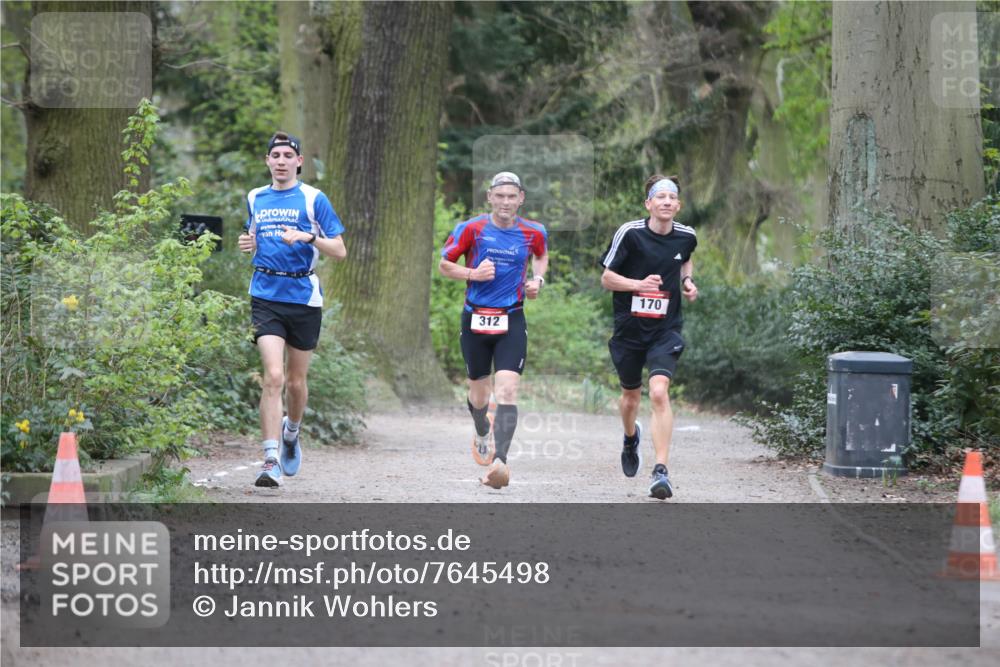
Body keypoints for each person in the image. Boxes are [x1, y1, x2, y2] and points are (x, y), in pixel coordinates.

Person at [237, 131, 347, 487]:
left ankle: (291, 432)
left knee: (296, 383)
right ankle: (270, 460)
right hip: (266, 293)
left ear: (299, 161)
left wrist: (308, 237)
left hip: (303, 296)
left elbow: (340, 250)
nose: (281, 161)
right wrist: (247, 242)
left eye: (288, 155)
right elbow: (251, 236)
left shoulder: (314, 199)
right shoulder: (256, 197)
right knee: (273, 377)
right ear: (267, 161)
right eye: (275, 155)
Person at [438, 172, 548, 489]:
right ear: (490, 197)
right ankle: (481, 427)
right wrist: (473, 272)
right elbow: (445, 264)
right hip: (475, 318)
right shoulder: (471, 229)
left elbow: (541, 256)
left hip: (511, 318)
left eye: (511, 196)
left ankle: (500, 462)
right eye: (500, 196)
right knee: (478, 393)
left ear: (521, 199)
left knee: (508, 390)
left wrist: (537, 280)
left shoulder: (533, 231)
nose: (505, 202)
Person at [599, 174, 698, 499]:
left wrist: (686, 283)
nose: (667, 201)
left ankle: (661, 471)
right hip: (629, 330)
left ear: (678, 205)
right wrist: (637, 285)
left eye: (672, 197)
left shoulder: (686, 236)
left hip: (665, 330)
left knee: (658, 393)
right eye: (660, 197)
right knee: (630, 398)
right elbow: (607, 278)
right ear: (649, 204)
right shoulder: (630, 234)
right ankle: (630, 439)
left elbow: (685, 261)